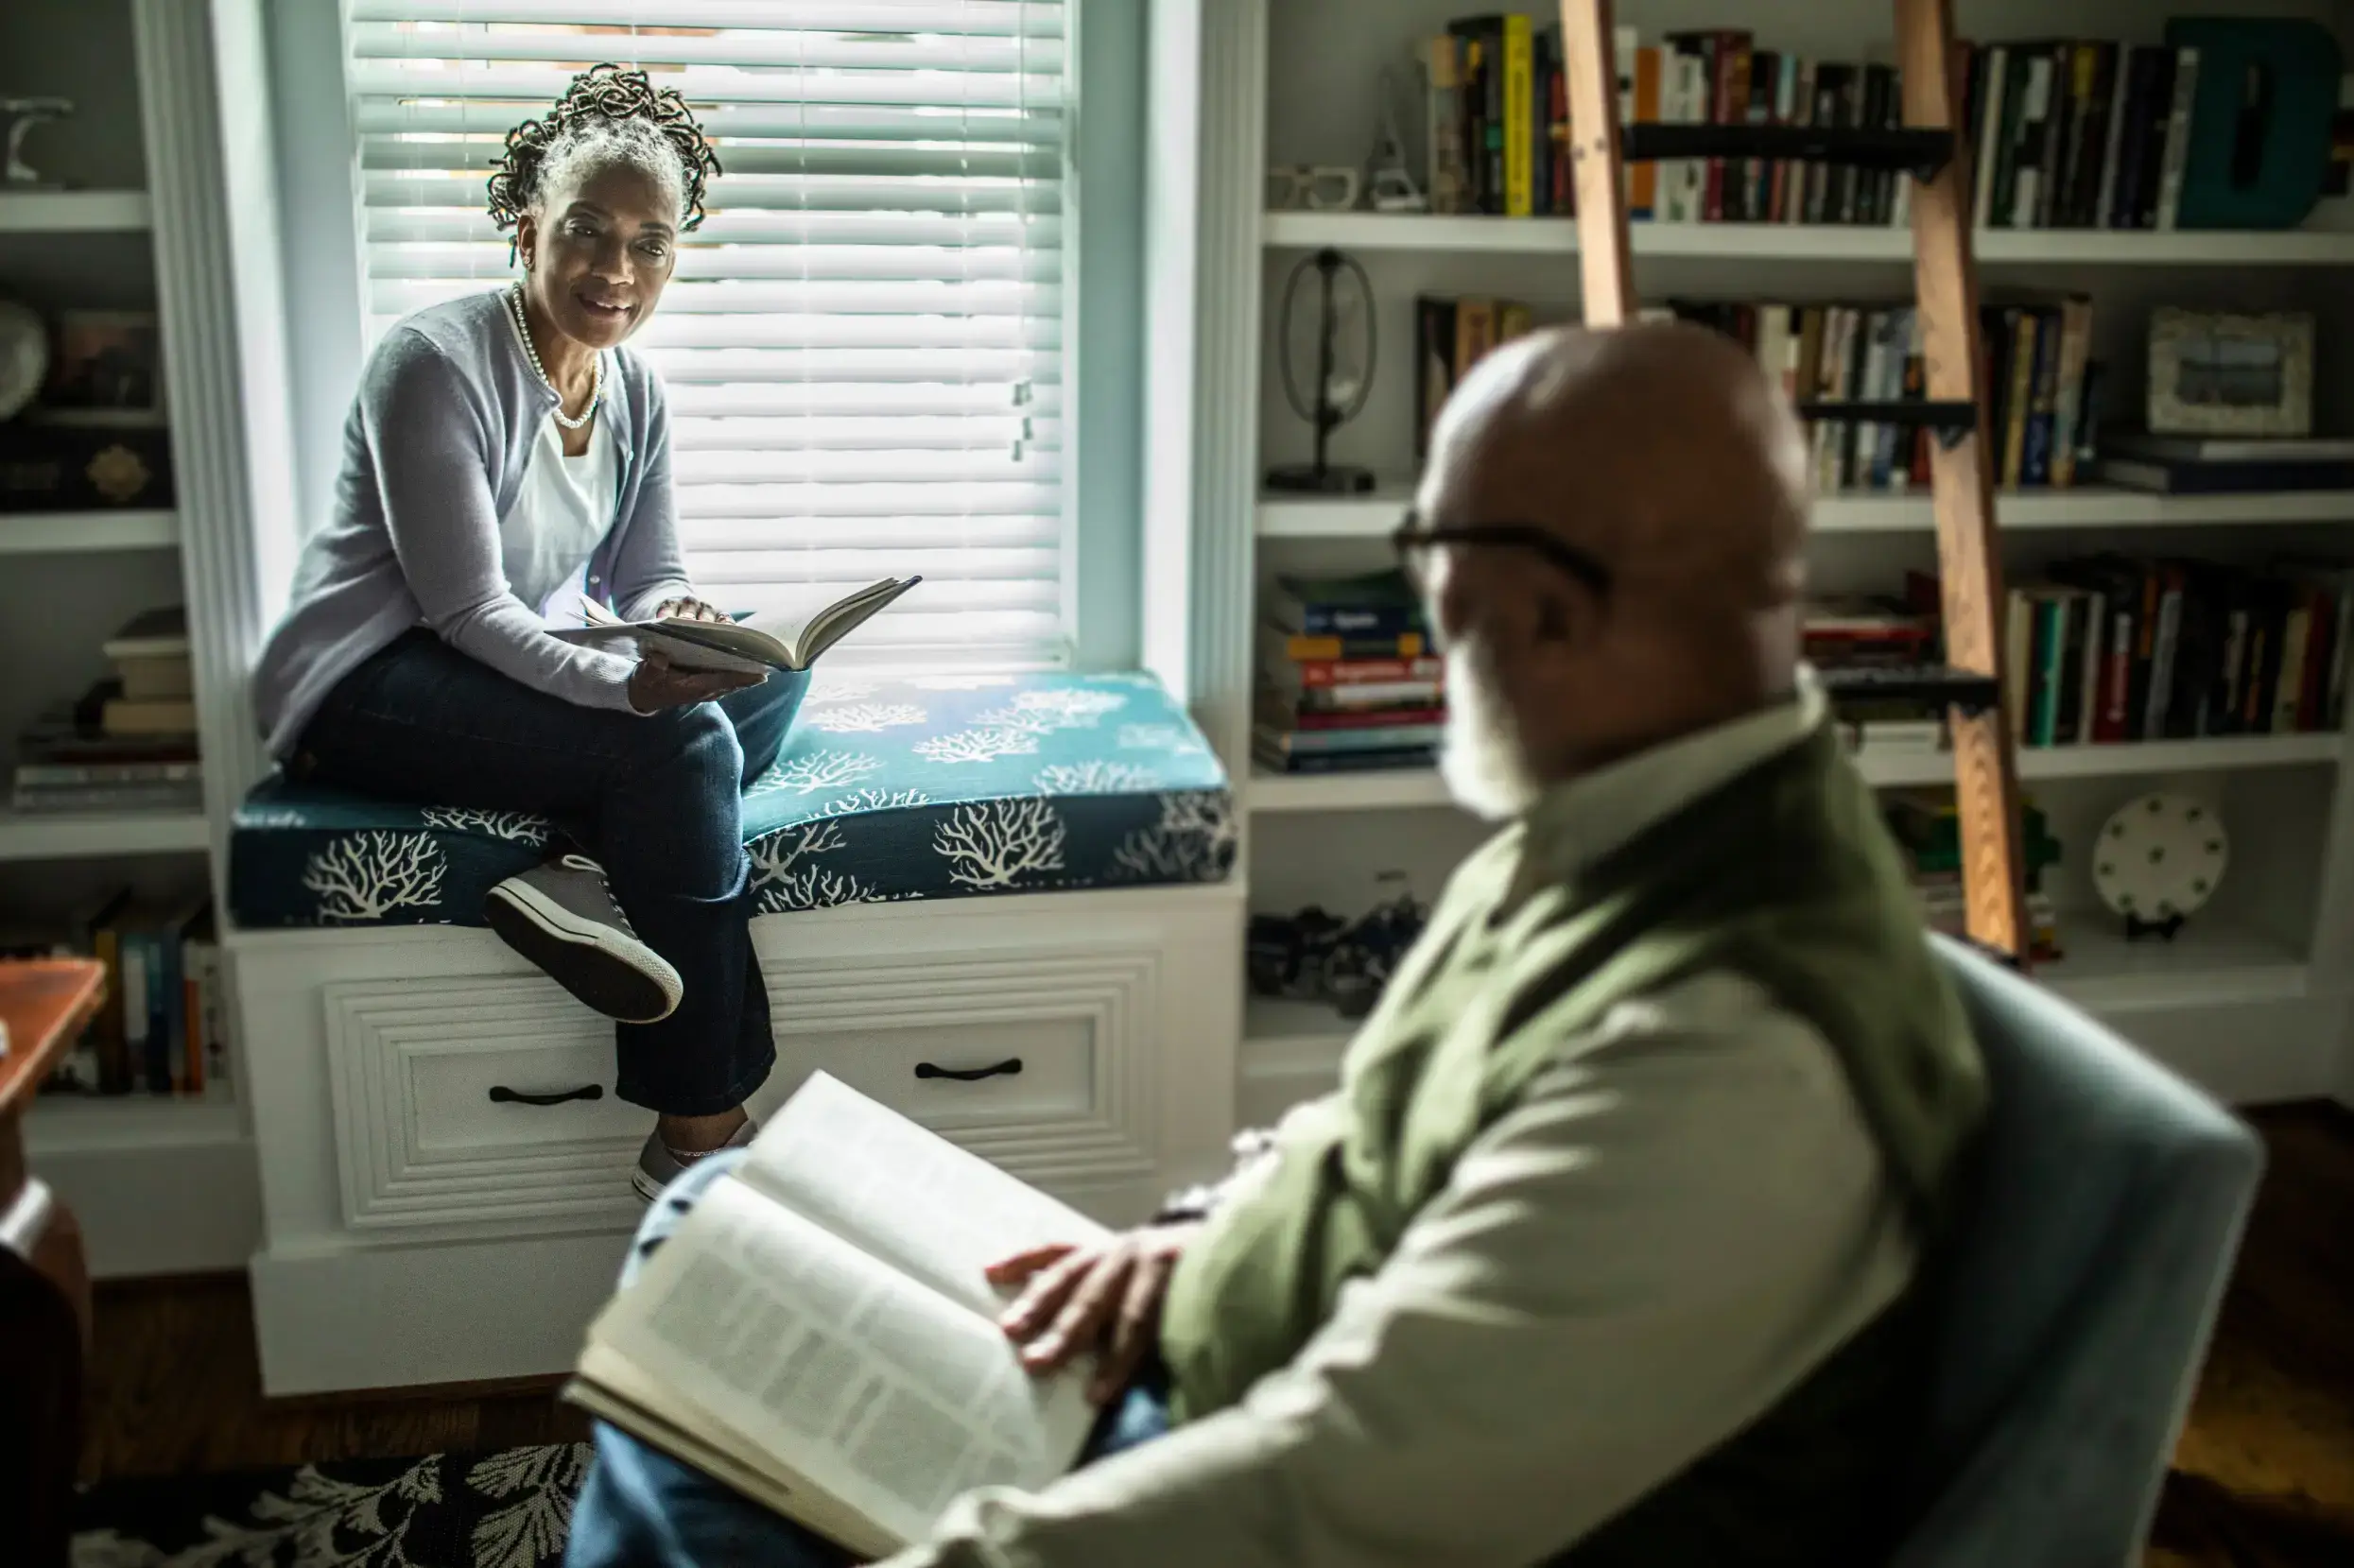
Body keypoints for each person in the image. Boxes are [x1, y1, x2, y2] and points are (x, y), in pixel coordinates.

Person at [564, 321, 1990, 1567]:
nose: (1426, 616)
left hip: (1311, 1478)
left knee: (712, 1475)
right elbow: (1388, 1118)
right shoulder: (1637, 806)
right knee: (719, 1213)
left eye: (1429, 555)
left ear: (1550, 608)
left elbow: (1337, 1496)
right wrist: (1202, 1238)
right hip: (1258, 1354)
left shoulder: (1735, 1053)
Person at [252, 65, 797, 1199]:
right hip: (366, 682)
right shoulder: (436, 363)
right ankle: (698, 1130)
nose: (616, 270)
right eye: (588, 232)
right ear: (526, 227)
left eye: (650, 243)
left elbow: (649, 575)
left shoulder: (635, 392)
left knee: (764, 683)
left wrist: (686, 630)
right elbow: (466, 610)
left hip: (480, 665)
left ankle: (578, 865)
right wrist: (636, 696)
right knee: (682, 745)